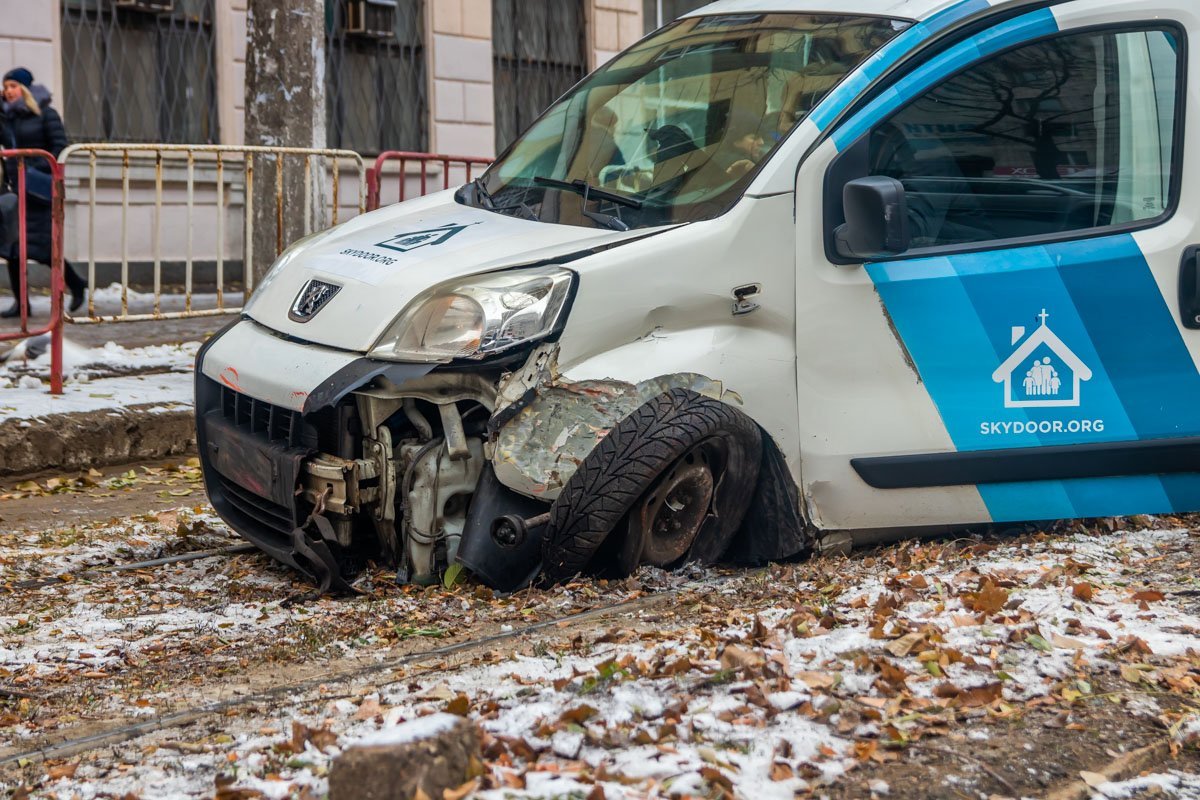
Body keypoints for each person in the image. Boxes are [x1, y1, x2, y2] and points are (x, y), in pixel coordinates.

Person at [0, 67, 86, 318]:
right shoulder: (7, 117)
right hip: (14, 191)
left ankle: (77, 283)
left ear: (25, 89)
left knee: (42, 247)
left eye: (13, 86)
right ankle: (21, 304)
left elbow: (59, 148)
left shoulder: (45, 114)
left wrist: (31, 165)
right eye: (5, 87)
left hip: (38, 190)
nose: (8, 91)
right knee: (12, 248)